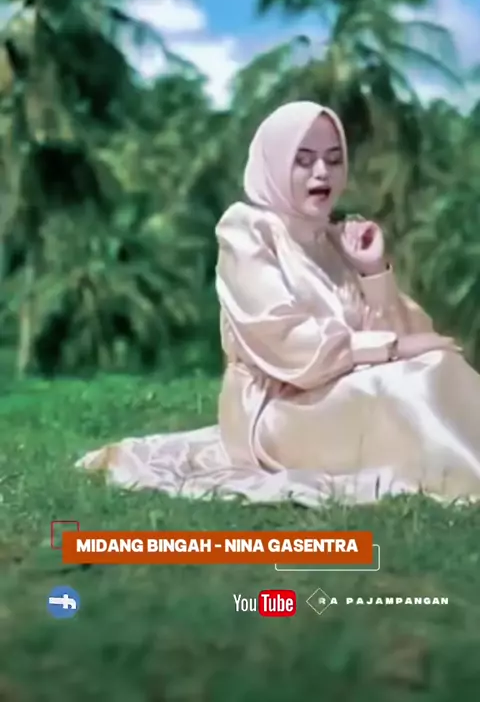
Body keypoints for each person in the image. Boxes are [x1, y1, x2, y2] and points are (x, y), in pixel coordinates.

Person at [76, 101, 480, 506]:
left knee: (435, 365)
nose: (321, 172)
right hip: (275, 409)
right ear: (272, 163)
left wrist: (373, 270)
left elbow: (412, 338)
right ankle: (463, 476)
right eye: (303, 161)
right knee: (408, 382)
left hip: (340, 391)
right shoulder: (247, 232)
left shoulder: (336, 239)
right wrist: (389, 348)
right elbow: (285, 340)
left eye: (333, 160)